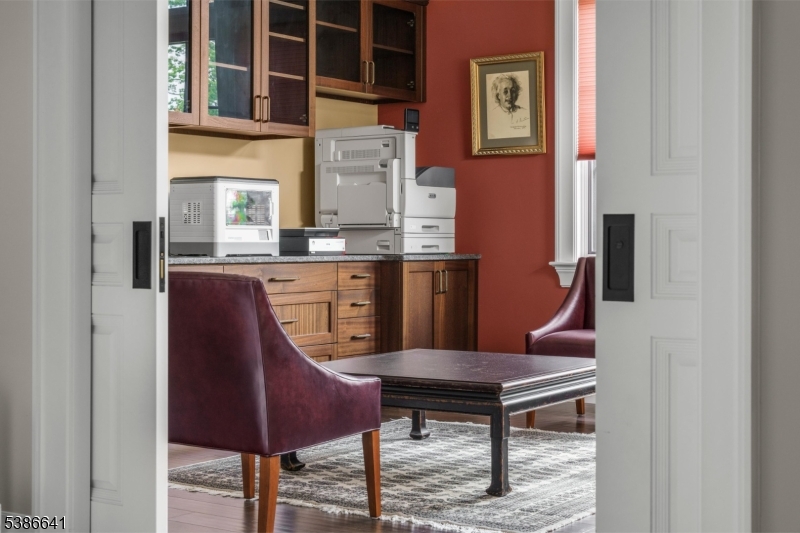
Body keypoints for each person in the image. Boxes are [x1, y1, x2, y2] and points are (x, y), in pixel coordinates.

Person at [487, 72, 531, 140]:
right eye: (505, 92)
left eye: (512, 91)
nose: (510, 95)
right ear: (498, 95)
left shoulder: (525, 113)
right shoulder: (492, 116)